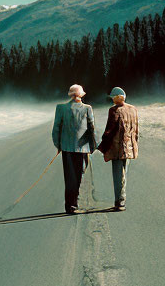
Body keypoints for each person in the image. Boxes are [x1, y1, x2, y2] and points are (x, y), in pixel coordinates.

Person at [52, 84, 97, 214]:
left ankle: (70, 205)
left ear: (70, 95)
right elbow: (92, 129)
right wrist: (93, 147)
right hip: (82, 148)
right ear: (81, 95)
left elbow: (56, 129)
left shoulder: (61, 108)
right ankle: (73, 204)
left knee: (69, 177)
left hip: (66, 148)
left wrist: (58, 145)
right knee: (78, 176)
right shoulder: (88, 108)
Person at [97, 86, 139, 211]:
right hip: (130, 146)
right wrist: (135, 145)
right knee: (124, 174)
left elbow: (109, 130)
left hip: (117, 147)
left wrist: (102, 146)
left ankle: (119, 202)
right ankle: (122, 200)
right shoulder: (133, 109)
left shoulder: (114, 110)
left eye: (113, 98)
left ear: (117, 98)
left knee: (117, 175)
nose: (112, 100)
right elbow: (136, 130)